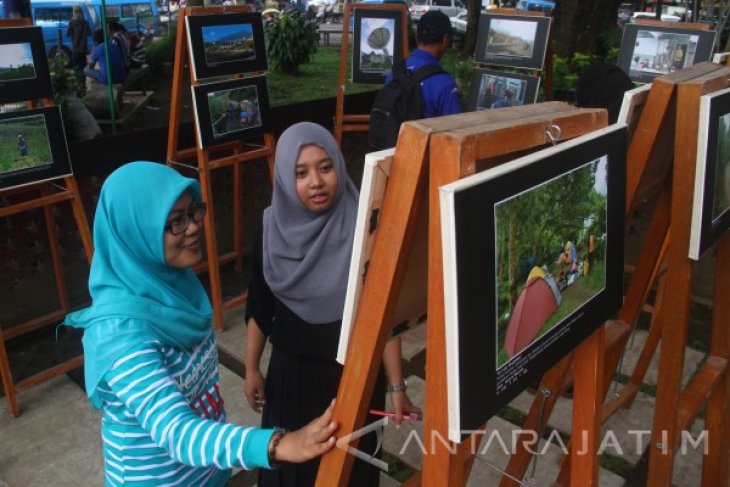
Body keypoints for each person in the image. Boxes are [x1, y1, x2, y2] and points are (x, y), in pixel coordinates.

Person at [64, 161, 339, 486]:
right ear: (134, 232)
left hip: (206, 474)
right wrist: (276, 445)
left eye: (193, 212)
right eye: (175, 222)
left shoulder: (175, 290)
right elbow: (176, 432)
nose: (194, 227)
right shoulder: (120, 337)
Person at [244, 122, 422, 486]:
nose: (316, 181)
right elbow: (260, 304)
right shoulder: (270, 228)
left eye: (325, 167)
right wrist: (250, 368)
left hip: (352, 377)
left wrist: (396, 386)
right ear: (283, 178)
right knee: (292, 473)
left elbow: (382, 313)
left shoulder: (364, 224)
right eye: (301, 172)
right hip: (291, 379)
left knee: (353, 469)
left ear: (339, 167)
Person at [385, 10, 461, 118]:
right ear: (445, 39)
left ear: (417, 36)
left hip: (393, 135)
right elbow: (455, 129)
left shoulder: (393, 74)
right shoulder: (445, 84)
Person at [66, 5, 91, 76]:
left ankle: (77, 82)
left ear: (73, 12)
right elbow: (89, 33)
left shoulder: (71, 22)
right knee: (83, 66)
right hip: (83, 48)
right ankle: (83, 83)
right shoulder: (85, 22)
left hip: (75, 47)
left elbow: (68, 34)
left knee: (76, 66)